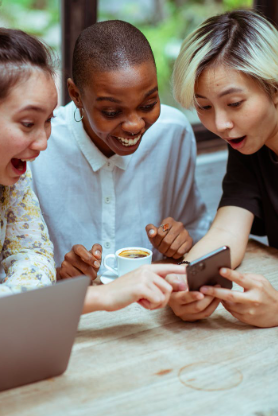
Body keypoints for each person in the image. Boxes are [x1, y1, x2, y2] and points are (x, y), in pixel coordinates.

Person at [0, 0, 187, 313]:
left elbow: (34, 258)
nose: (44, 142)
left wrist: (30, 303)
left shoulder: (4, 172)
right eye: (28, 123)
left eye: (47, 121)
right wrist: (99, 297)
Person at [30, 20, 210, 280]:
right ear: (76, 95)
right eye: (112, 112)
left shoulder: (172, 132)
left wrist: (181, 242)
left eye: (148, 104)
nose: (135, 125)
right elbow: (9, 265)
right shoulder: (40, 149)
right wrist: (57, 276)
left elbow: (196, 227)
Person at [169, 9, 278, 328]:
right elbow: (226, 232)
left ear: (274, 87)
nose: (221, 124)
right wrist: (184, 282)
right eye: (204, 107)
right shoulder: (249, 143)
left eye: (234, 104)